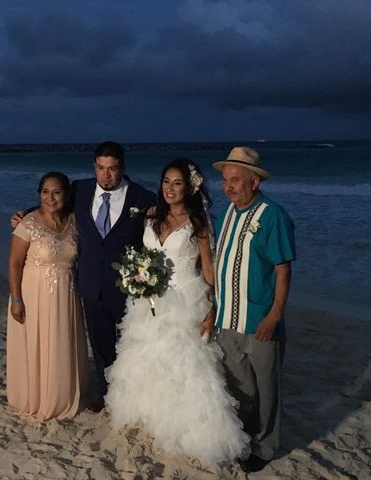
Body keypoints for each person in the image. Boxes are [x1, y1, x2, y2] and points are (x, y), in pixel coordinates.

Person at [105, 159, 250, 469]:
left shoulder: (197, 222)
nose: (170, 189)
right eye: (166, 182)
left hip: (186, 298)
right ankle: (153, 417)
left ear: (190, 188)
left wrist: (214, 307)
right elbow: (145, 254)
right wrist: (138, 275)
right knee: (148, 360)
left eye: (177, 183)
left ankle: (194, 432)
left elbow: (208, 269)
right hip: (149, 302)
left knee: (186, 369)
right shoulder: (152, 215)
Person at [11, 142, 155, 412]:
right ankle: (106, 393)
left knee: (132, 344)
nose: (106, 175)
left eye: (112, 169)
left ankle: (134, 396)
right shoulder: (81, 189)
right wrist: (25, 213)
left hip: (127, 286)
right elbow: (53, 203)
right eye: (101, 168)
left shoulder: (143, 198)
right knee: (100, 346)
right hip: (89, 284)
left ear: (122, 167)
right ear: (94, 167)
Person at [208, 147, 296, 473]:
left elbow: (283, 271)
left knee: (267, 387)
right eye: (225, 180)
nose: (228, 187)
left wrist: (274, 316)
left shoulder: (273, 216)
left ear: (254, 181)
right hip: (228, 317)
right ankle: (243, 438)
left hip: (260, 320)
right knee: (239, 386)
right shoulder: (228, 213)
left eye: (235, 180)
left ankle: (265, 446)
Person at [6, 171, 88, 420]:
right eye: (45, 192)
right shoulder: (27, 223)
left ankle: (61, 395)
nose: (50, 198)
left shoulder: (75, 222)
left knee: (62, 342)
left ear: (67, 195)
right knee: (37, 343)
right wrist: (17, 299)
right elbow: (14, 263)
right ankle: (36, 396)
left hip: (66, 295)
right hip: (33, 294)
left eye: (57, 192)